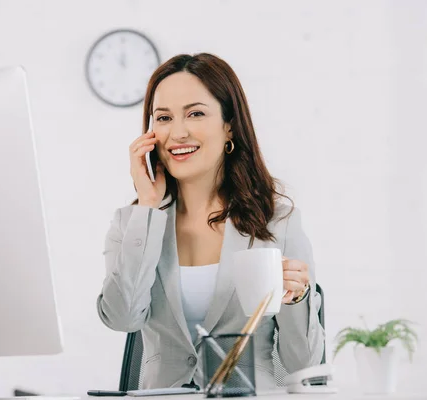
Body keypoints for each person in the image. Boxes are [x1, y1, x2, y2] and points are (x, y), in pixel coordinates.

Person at [97, 53, 325, 390]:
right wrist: (147, 206)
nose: (178, 132)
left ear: (229, 124)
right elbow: (122, 318)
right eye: (163, 117)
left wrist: (296, 299)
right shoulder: (131, 224)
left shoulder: (278, 222)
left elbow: (304, 365)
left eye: (195, 113)